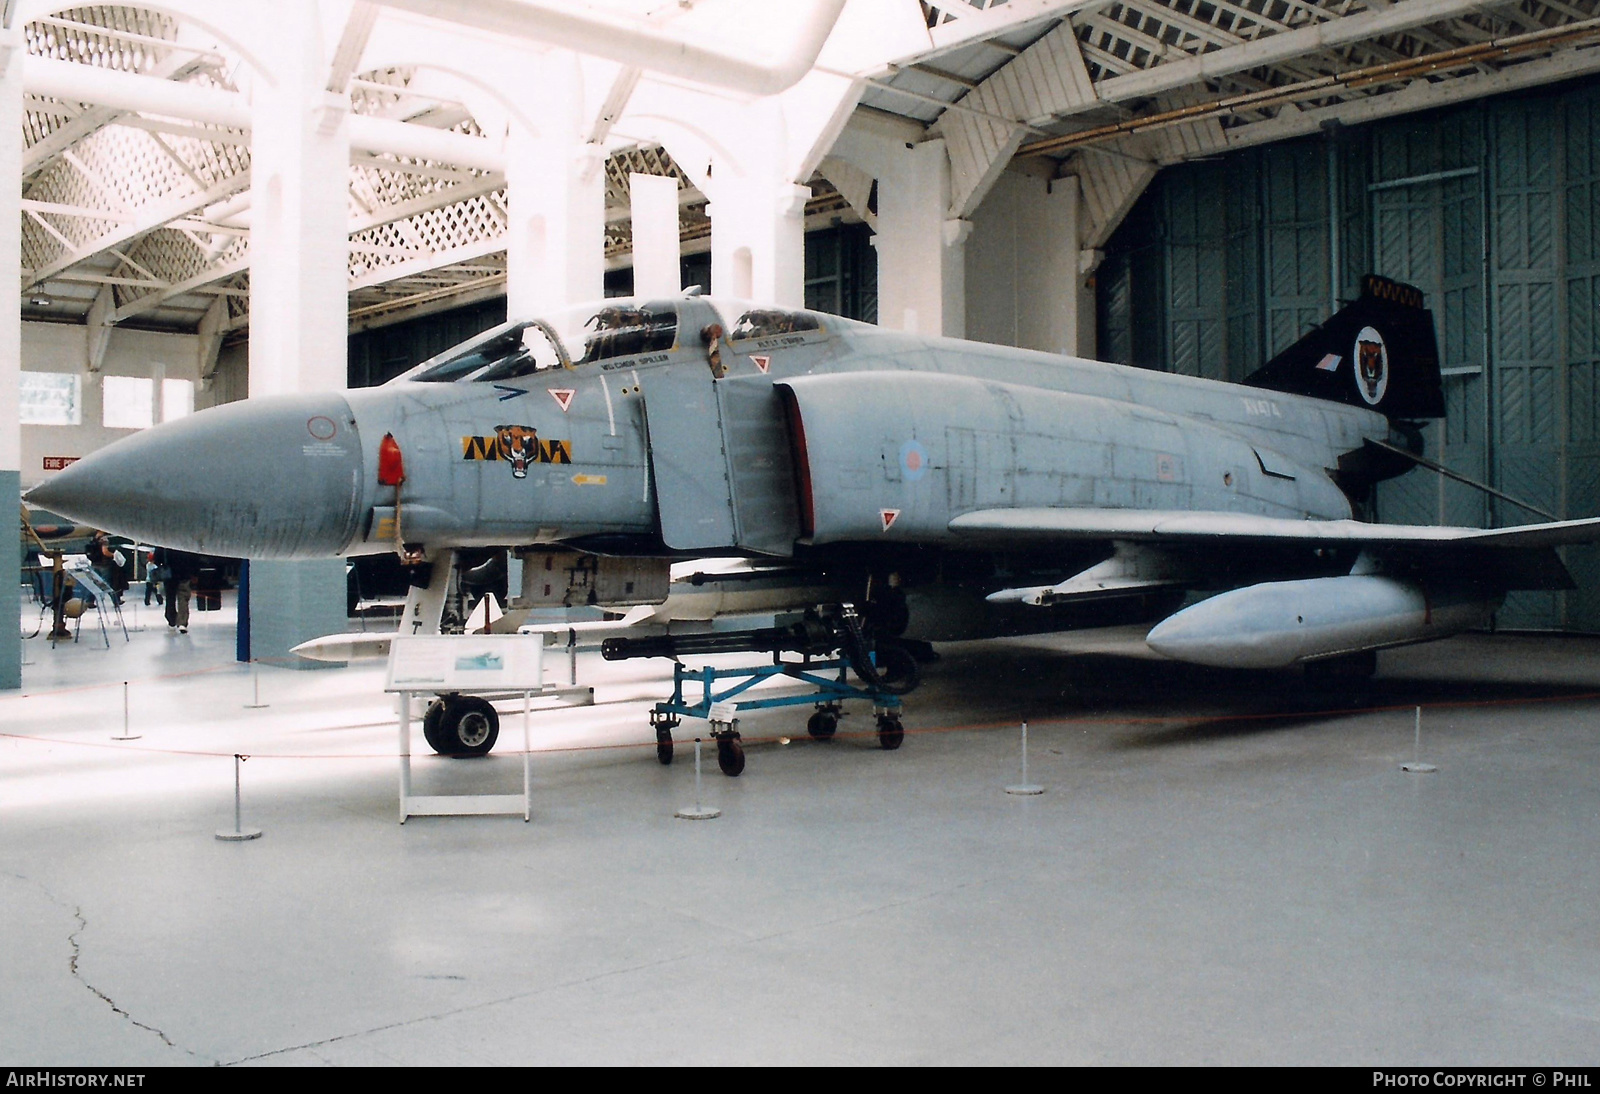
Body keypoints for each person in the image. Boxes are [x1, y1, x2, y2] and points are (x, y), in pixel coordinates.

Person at [152, 546, 200, 633]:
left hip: (169, 573)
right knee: (183, 598)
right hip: (184, 572)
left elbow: (157, 558)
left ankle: (171, 619)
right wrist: (195, 572)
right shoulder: (185, 540)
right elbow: (194, 557)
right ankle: (182, 622)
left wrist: (162, 564)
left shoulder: (164, 541)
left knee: (170, 598)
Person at [86, 532, 130, 605]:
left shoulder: (93, 540)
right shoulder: (104, 540)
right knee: (108, 584)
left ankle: (89, 601)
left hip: (94, 564)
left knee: (94, 583)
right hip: (104, 565)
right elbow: (105, 552)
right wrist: (114, 555)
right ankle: (116, 600)